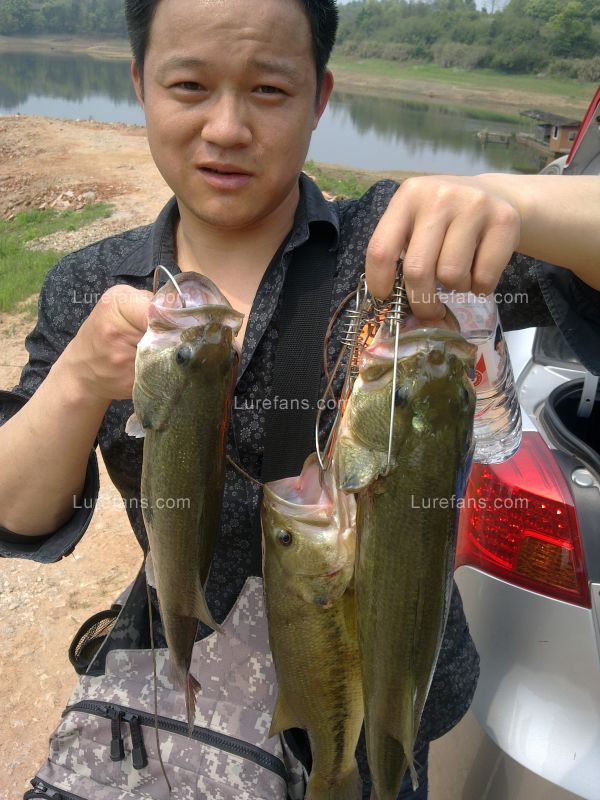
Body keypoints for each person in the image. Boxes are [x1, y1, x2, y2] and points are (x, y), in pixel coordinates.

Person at [0, 0, 598, 798]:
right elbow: (18, 513)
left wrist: (511, 203)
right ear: (139, 83)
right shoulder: (86, 284)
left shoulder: (398, 250)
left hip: (380, 691)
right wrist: (78, 379)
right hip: (186, 695)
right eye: (189, 86)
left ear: (321, 97)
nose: (226, 128)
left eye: (269, 90)